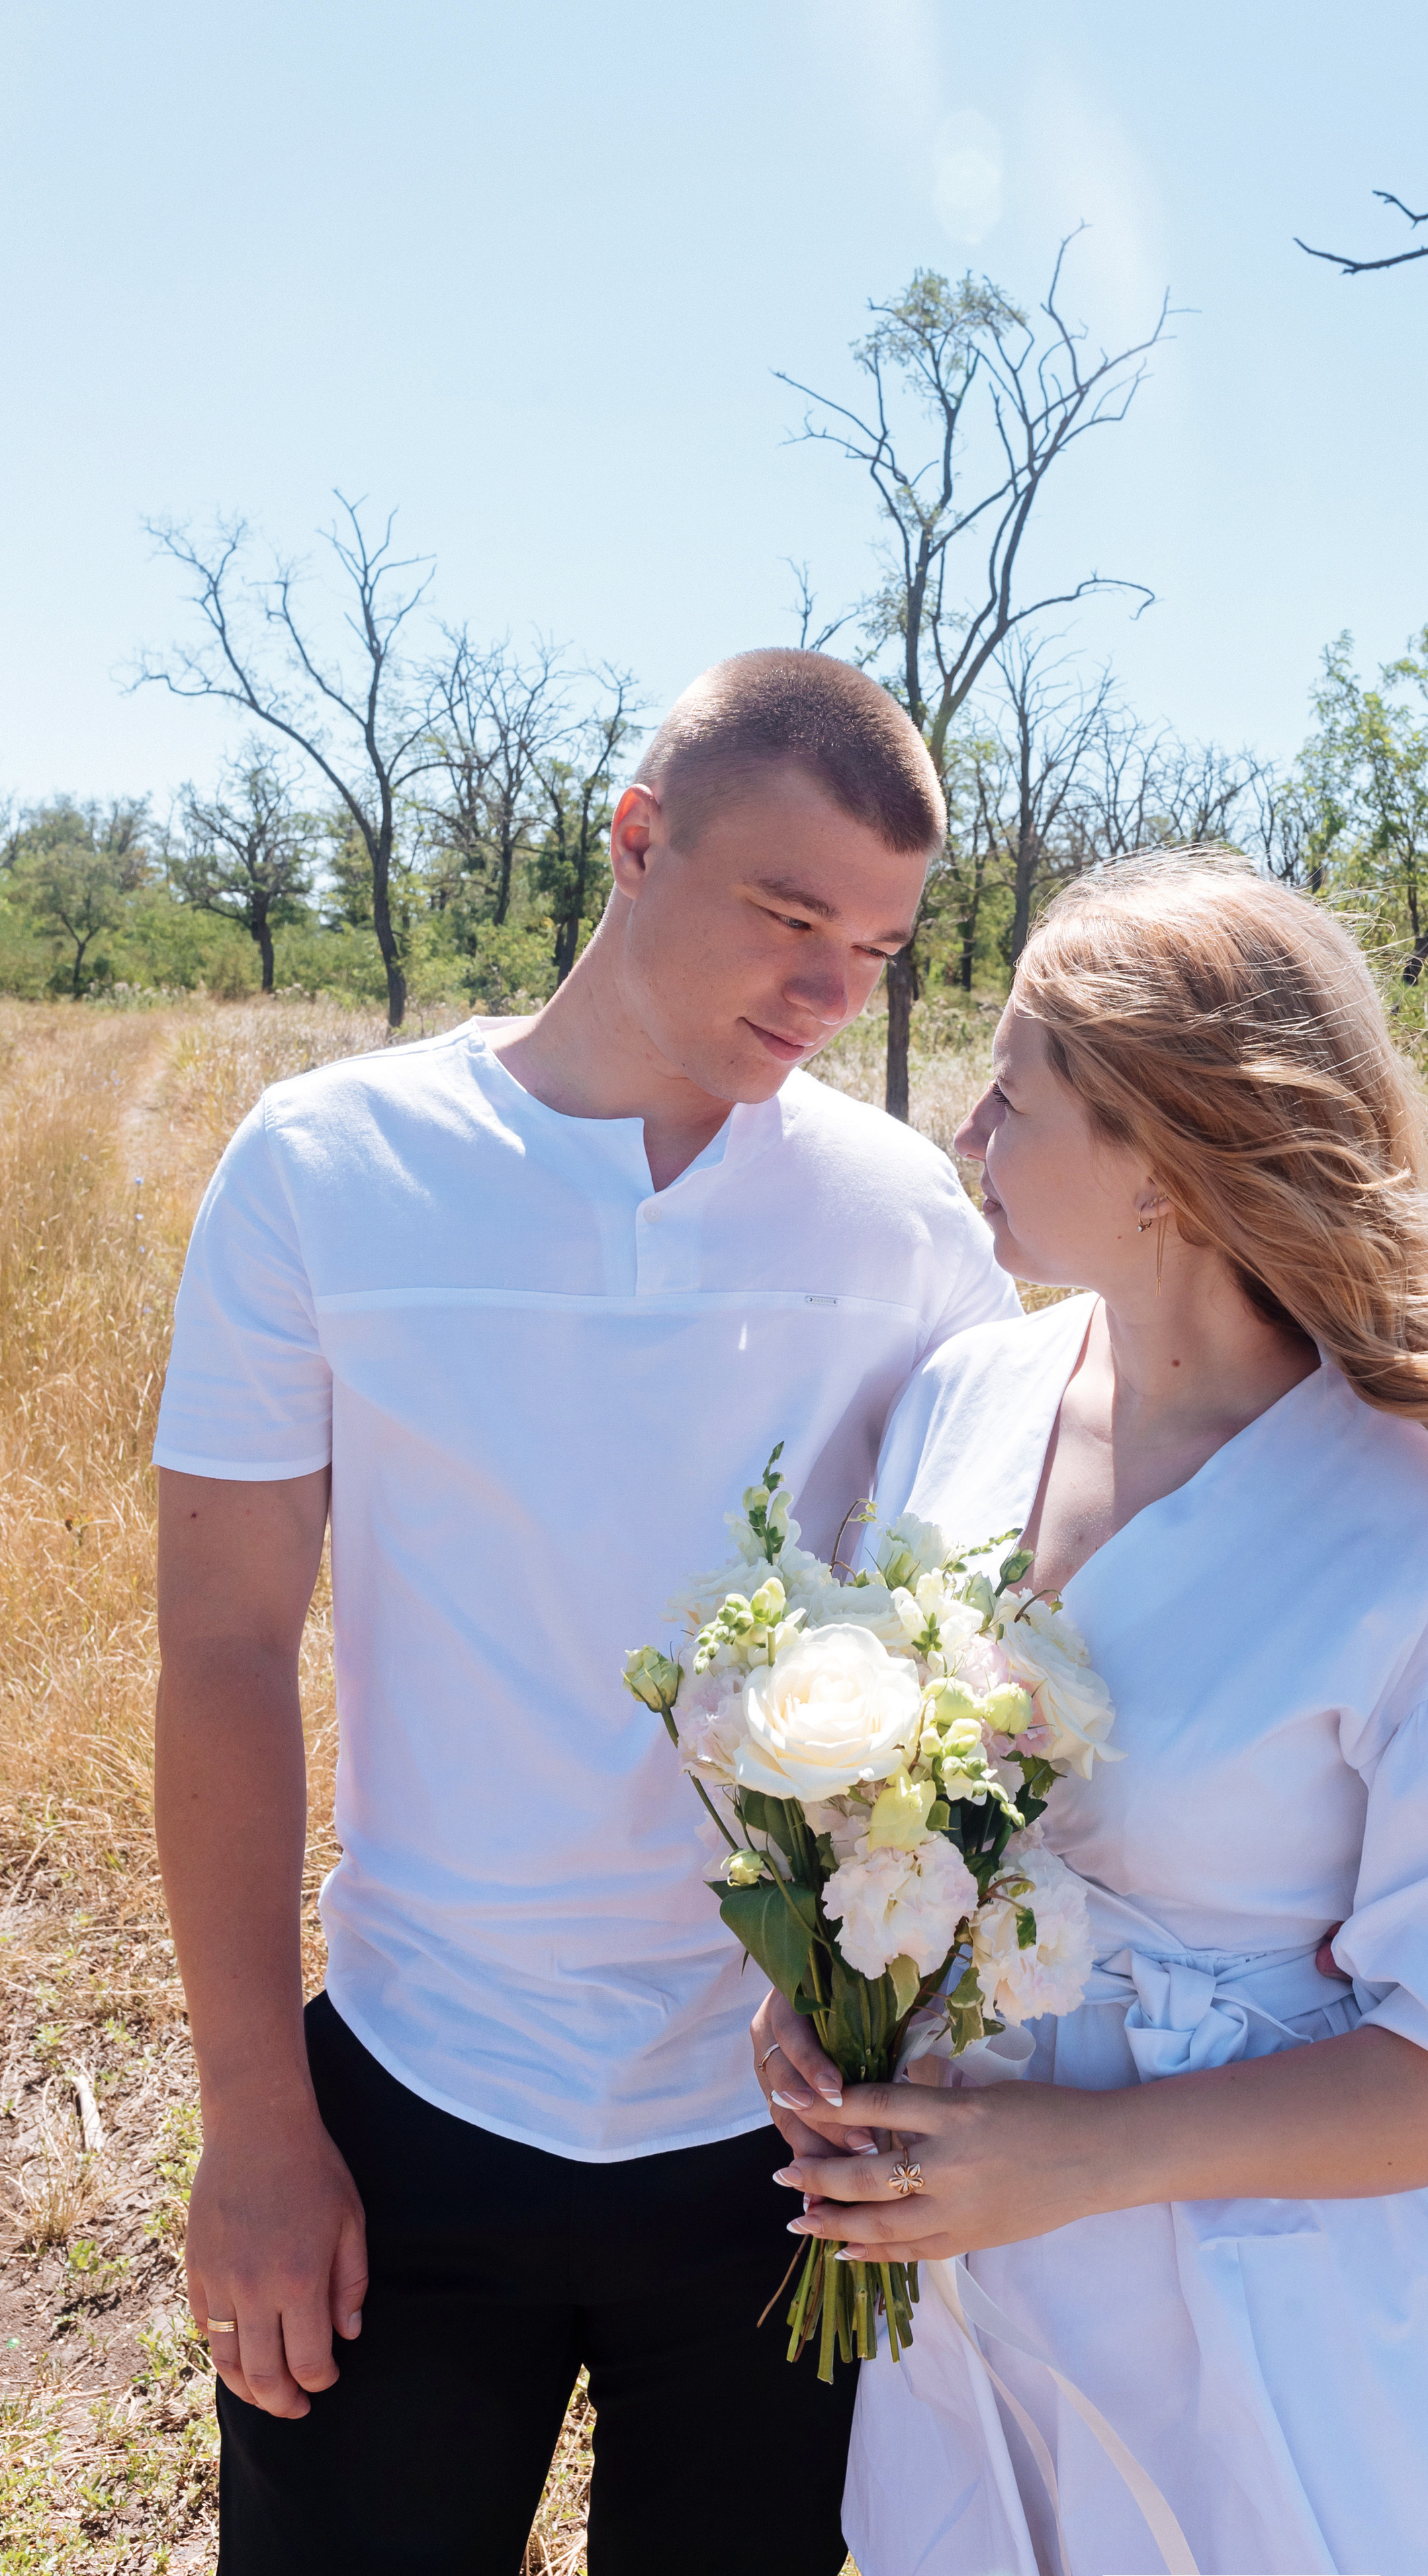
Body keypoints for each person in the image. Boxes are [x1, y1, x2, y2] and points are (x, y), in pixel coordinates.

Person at [151, 648, 1018, 2576]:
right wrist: (256, 2122)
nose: (826, 992)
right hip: (407, 2099)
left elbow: (992, 1636)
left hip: (778, 2145)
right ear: (635, 842)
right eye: (789, 915)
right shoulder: (327, 1166)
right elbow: (220, 1643)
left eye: (875, 952)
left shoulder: (904, 1225)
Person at [756, 851, 1428, 2576]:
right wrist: (818, 1995)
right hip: (966, 2305)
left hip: (1274, 2328)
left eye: (1015, 1092)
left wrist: (1091, 2159)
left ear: (1163, 1162)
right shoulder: (965, 1400)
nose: (971, 1133)